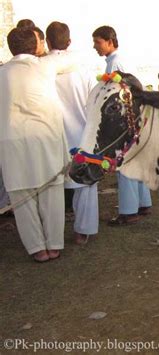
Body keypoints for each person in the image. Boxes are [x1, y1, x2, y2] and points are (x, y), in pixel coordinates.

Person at [0, 28, 76, 261]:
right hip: (44, 139)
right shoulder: (44, 65)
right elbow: (70, 58)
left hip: (11, 142)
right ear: (35, 46)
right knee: (51, 191)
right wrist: (44, 52)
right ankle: (54, 244)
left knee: (22, 197)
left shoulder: (3, 72)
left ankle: (37, 249)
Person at [92, 25, 153, 226]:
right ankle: (143, 203)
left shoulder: (116, 63)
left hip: (124, 120)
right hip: (131, 118)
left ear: (110, 41)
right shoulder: (116, 61)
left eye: (98, 42)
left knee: (124, 164)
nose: (95, 47)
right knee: (134, 161)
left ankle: (129, 211)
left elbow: (118, 95)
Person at [46, 22, 99, 245]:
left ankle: (52, 234)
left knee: (52, 187)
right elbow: (93, 103)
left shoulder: (43, 69)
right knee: (85, 186)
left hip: (52, 135)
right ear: (69, 42)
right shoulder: (83, 69)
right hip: (82, 133)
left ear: (47, 42)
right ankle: (82, 231)